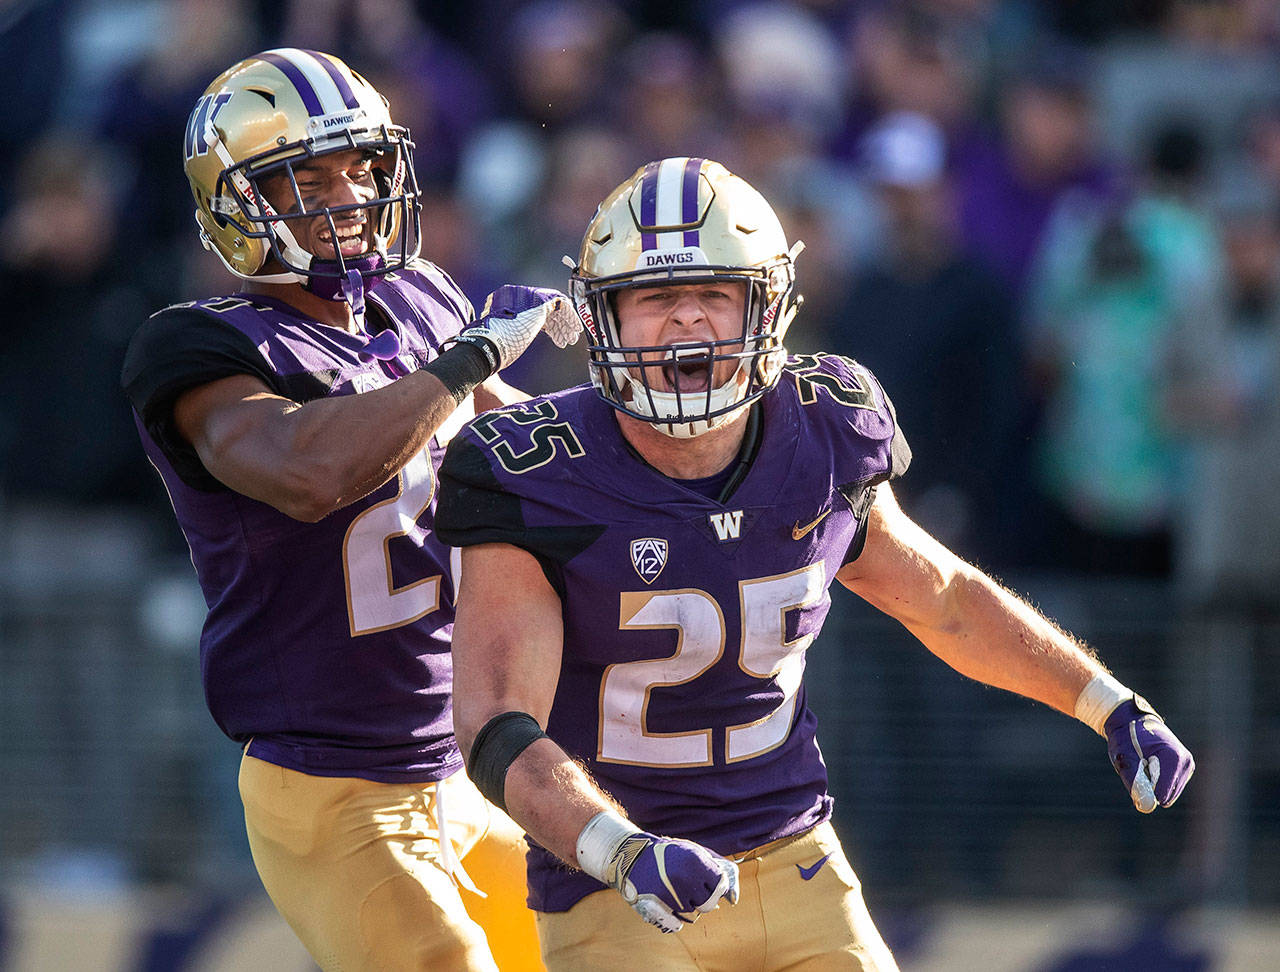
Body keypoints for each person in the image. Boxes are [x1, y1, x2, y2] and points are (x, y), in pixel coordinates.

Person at [434, 157, 1196, 969]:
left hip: (795, 860)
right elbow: (494, 721)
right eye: (657, 296)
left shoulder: (825, 427)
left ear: (768, 303)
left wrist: (1107, 701)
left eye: (715, 293)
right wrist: (622, 850)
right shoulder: (535, 467)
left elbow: (943, 599)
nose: (688, 320)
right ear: (605, 316)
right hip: (614, 885)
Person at [121, 49, 578, 971]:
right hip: (332, 781)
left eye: (360, 167)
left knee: (593, 950)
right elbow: (308, 471)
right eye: (306, 177)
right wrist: (460, 363)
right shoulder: (200, 345)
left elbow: (526, 459)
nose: (349, 195)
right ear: (236, 201)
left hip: (467, 760)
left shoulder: (416, 298)